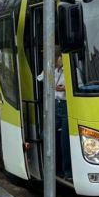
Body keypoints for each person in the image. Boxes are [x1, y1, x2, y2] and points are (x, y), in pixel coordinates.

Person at [37, 51, 72, 180]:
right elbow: (39, 78)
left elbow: (78, 84)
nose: (58, 60)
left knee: (64, 141)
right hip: (54, 105)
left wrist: (65, 88)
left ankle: (67, 172)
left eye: (59, 58)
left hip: (65, 105)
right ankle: (52, 167)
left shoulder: (71, 69)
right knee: (46, 134)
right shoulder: (52, 70)